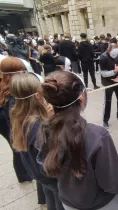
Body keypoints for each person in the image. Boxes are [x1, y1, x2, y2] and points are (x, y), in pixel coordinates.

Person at [37, 71, 118, 210]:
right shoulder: (98, 136)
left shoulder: (44, 129)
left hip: (68, 202)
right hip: (101, 204)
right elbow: (115, 184)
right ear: (81, 99)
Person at [9, 73, 64, 210]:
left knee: (49, 195)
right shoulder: (39, 125)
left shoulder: (18, 114)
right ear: (37, 96)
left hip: (36, 173)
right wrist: (50, 122)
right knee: (59, 199)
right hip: (49, 175)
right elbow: (52, 154)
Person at [0, 57, 33, 183]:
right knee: (17, 148)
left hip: (6, 121)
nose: (24, 73)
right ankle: (24, 175)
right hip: (8, 122)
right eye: (21, 70)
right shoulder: (13, 89)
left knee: (16, 147)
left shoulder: (4, 83)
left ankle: (23, 174)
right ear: (13, 72)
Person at [100, 42, 118, 128]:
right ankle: (105, 120)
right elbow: (103, 73)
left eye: (116, 54)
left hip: (117, 80)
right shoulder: (103, 57)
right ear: (108, 50)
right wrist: (114, 72)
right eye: (113, 54)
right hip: (108, 81)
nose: (115, 56)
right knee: (108, 101)